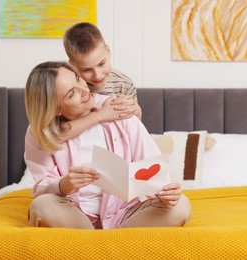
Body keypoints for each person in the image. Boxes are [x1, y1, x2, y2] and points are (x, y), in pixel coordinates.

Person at [24, 61, 192, 230]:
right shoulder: (40, 133)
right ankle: (108, 244)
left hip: (124, 213)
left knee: (180, 206)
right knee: (41, 206)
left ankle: (103, 243)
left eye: (78, 79)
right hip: (74, 214)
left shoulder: (119, 109)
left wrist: (166, 192)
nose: (84, 91)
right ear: (55, 109)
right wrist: (65, 183)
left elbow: (153, 169)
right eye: (71, 94)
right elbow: (43, 188)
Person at [59, 22, 142, 140]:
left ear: (107, 50)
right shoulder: (70, 88)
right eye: (86, 69)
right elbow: (55, 133)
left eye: (101, 63)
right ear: (72, 65)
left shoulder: (124, 84)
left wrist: (137, 111)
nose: (97, 76)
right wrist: (101, 115)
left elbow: (135, 128)